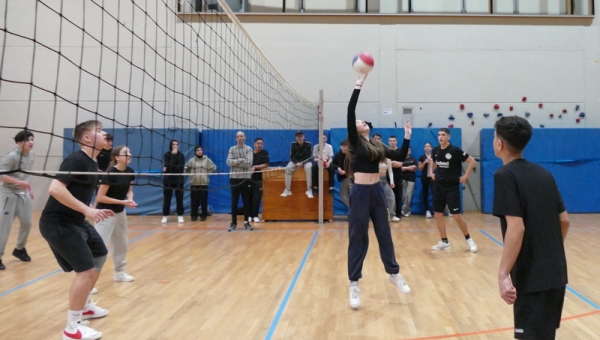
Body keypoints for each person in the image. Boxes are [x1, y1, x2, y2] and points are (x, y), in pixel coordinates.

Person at [492, 116, 570, 340]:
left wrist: (503, 274)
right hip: (556, 274)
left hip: (531, 278)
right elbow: (564, 221)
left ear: (500, 144)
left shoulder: (504, 175)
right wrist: (547, 251)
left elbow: (516, 227)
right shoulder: (544, 174)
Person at [39, 120, 114, 340]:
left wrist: (88, 209)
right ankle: (72, 329)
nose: (105, 134)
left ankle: (86, 304)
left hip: (76, 219)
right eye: (99, 131)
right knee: (85, 270)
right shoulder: (76, 159)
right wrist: (88, 211)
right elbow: (55, 188)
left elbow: (76, 193)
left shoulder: (92, 162)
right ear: (88, 138)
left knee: (100, 254)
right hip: (58, 222)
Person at [346, 74, 411, 309]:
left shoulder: (377, 144)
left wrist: (406, 137)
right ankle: (354, 283)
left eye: (363, 120)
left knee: (385, 234)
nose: (360, 121)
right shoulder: (355, 142)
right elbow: (351, 110)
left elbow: (401, 157)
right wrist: (358, 86)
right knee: (358, 238)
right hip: (361, 193)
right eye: (358, 121)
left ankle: (393, 274)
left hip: (377, 191)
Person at [429, 128, 478, 252]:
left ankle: (469, 239)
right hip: (438, 186)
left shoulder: (455, 150)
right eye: (439, 135)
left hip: (451, 187)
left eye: (443, 135)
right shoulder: (435, 150)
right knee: (438, 214)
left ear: (448, 137)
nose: (440, 137)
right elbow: (433, 162)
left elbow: (472, 161)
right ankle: (444, 241)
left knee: (456, 215)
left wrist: (466, 176)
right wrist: (431, 172)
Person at [95, 145, 137, 283]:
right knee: (98, 245)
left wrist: (129, 199)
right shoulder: (110, 173)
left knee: (121, 243)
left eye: (130, 152)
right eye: (126, 153)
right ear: (117, 157)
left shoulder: (130, 171)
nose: (129, 154)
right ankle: (88, 279)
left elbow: (129, 190)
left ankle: (119, 273)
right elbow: (100, 197)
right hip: (105, 214)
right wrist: (123, 202)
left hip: (120, 212)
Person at [0, 130, 35, 270]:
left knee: (27, 223)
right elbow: (1, 175)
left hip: (24, 193)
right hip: (9, 194)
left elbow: (25, 176)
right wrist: (20, 183)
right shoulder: (12, 157)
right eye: (27, 140)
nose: (31, 142)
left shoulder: (31, 155)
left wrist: (29, 188)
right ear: (19, 143)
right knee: (5, 226)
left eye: (32, 139)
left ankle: (20, 249)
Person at [226, 131, 253, 232]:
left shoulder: (249, 149)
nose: (240, 138)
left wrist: (236, 163)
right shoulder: (232, 149)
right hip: (234, 178)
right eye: (238, 136)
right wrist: (242, 160)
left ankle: (247, 222)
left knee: (246, 201)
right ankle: (233, 223)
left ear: (244, 138)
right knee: (234, 201)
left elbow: (249, 163)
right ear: (235, 139)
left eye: (241, 136)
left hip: (245, 178)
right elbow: (228, 162)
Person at [185, 146, 216, 222]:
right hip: (194, 184)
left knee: (203, 201)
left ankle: (204, 215)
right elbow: (186, 168)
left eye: (200, 150)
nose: (199, 151)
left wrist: (207, 174)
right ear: (195, 152)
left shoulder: (207, 160)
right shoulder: (192, 160)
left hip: (204, 183)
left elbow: (214, 167)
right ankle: (194, 216)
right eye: (198, 150)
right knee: (194, 201)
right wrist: (191, 174)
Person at [280, 131, 313, 198]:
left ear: (303, 136)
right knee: (288, 168)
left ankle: (309, 189)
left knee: (309, 167)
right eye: (298, 136)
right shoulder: (293, 144)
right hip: (295, 162)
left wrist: (302, 163)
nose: (300, 137)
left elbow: (309, 156)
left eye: (301, 136)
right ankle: (287, 189)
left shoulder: (308, 144)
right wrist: (297, 163)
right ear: (296, 137)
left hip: (305, 162)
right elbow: (291, 156)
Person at [162, 140, 185, 224]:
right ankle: (165, 216)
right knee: (167, 199)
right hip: (168, 180)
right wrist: (173, 156)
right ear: (171, 145)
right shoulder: (166, 155)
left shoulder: (181, 155)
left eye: (176, 144)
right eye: (173, 144)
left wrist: (169, 167)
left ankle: (180, 215)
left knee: (180, 199)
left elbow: (180, 168)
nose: (175, 146)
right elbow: (169, 167)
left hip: (179, 180)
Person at [249, 138, 269, 223]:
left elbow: (266, 164)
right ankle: (249, 215)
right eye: (258, 143)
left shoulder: (264, 153)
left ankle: (255, 215)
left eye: (261, 143)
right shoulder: (250, 153)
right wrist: (249, 169)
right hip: (249, 178)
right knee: (249, 197)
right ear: (254, 144)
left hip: (259, 179)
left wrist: (255, 167)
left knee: (256, 198)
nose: (259, 145)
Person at [332, 140, 351, 210]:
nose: (345, 148)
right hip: (343, 178)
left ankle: (354, 210)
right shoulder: (338, 155)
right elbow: (333, 164)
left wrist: (345, 172)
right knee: (343, 196)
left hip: (351, 178)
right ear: (341, 147)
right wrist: (338, 168)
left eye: (347, 146)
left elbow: (354, 167)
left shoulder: (351, 156)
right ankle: (354, 210)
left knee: (348, 195)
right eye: (344, 146)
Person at [379, 157, 399, 222]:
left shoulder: (387, 160)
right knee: (376, 198)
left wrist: (392, 181)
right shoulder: (375, 158)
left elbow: (390, 171)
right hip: (376, 180)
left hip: (384, 180)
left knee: (391, 196)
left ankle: (392, 215)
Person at [417, 142, 434, 218]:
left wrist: (432, 163)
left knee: (435, 193)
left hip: (432, 177)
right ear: (424, 148)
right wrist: (425, 162)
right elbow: (419, 168)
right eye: (426, 146)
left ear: (431, 148)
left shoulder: (434, 157)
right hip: (424, 178)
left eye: (429, 146)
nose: (427, 147)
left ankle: (437, 210)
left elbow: (437, 167)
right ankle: (427, 210)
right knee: (425, 193)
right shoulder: (421, 157)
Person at [388, 136, 403, 219]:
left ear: (396, 142)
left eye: (394, 141)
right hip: (388, 176)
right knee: (389, 196)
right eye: (391, 141)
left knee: (398, 195)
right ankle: (389, 213)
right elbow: (386, 164)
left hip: (398, 176)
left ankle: (398, 214)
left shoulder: (400, 151)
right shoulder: (387, 151)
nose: (392, 142)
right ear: (388, 142)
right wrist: (392, 163)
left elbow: (399, 164)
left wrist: (391, 163)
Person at [400, 147, 417, 217]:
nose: (407, 151)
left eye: (409, 150)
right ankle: (407, 210)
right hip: (402, 179)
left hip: (411, 179)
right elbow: (400, 168)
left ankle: (403, 210)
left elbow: (414, 168)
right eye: (406, 150)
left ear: (410, 151)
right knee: (403, 196)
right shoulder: (401, 159)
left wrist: (405, 168)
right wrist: (409, 167)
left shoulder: (413, 159)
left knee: (408, 196)